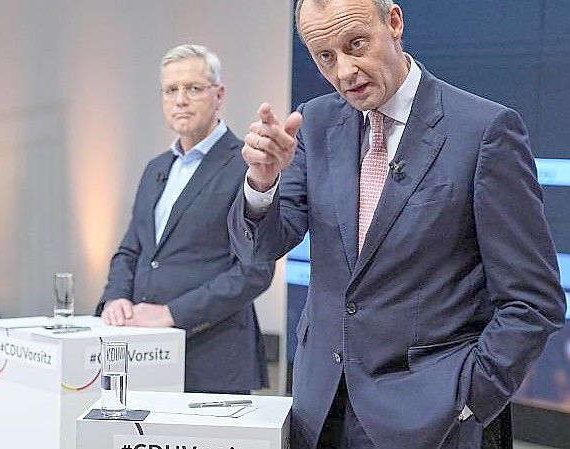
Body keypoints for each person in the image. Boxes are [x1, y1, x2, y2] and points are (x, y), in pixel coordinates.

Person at [227, 0, 566, 447]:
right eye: (325, 56)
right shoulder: (315, 123)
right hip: (321, 409)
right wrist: (261, 182)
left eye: (356, 44)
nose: (345, 71)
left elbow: (532, 301)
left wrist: (467, 401)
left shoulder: (484, 131)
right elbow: (258, 249)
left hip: (434, 419)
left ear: (394, 22)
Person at [97, 44, 274, 394]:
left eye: (193, 89)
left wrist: (172, 314)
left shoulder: (247, 166)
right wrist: (115, 297)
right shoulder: (156, 169)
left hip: (212, 358)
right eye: (170, 90)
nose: (180, 99)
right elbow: (132, 249)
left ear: (218, 95)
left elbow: (254, 271)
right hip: (141, 355)